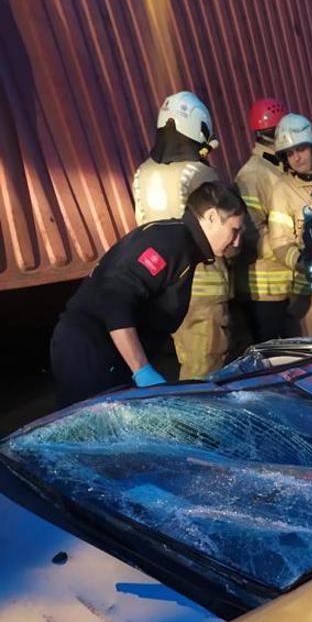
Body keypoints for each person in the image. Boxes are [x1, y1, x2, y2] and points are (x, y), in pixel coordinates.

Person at [50, 183, 245, 407]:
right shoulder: (169, 242)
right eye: (234, 230)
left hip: (110, 356)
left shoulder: (185, 248)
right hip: (89, 351)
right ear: (211, 217)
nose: (237, 241)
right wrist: (141, 369)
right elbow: (114, 298)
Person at [133, 91, 239, 379]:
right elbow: (225, 233)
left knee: (183, 363)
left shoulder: (142, 173)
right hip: (203, 288)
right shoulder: (198, 173)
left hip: (163, 287)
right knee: (206, 369)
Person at [233, 97, 293, 341]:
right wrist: (294, 251)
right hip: (266, 291)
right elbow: (251, 233)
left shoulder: (276, 167)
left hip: (285, 284)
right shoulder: (253, 175)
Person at [268, 113, 312, 336]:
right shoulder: (282, 190)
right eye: (290, 153)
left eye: (301, 149)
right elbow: (280, 242)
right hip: (309, 294)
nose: (296, 157)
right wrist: (303, 263)